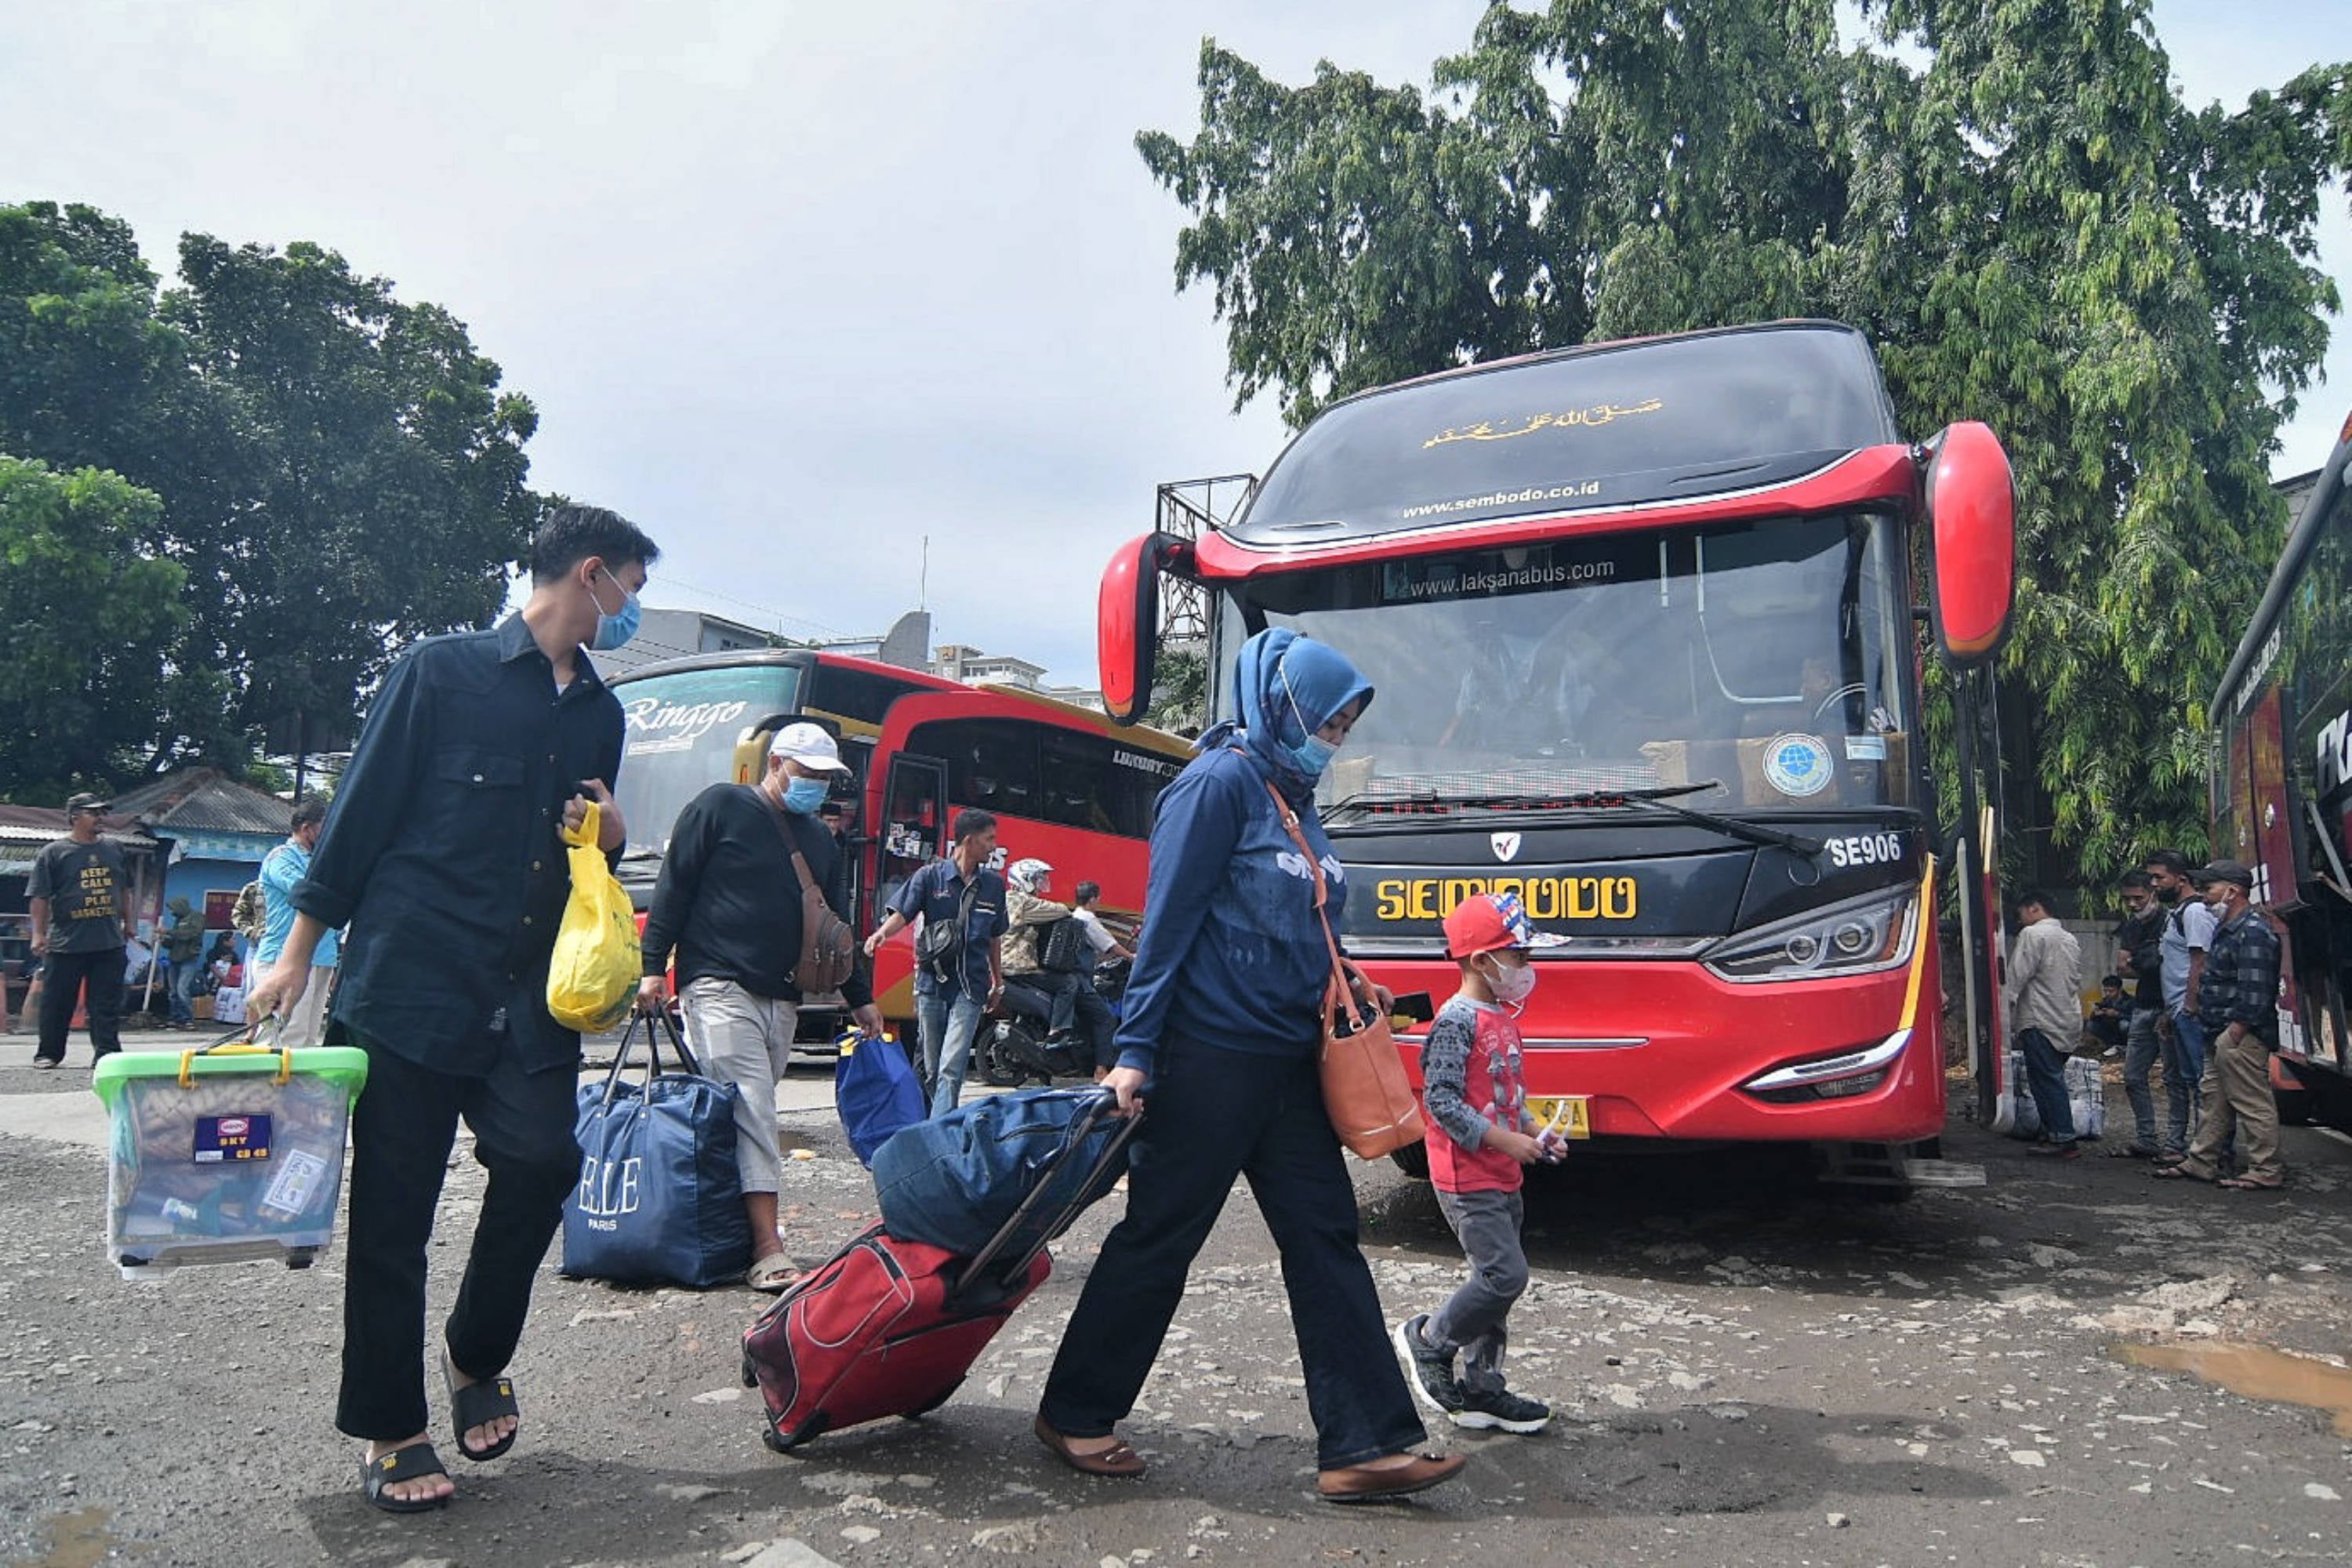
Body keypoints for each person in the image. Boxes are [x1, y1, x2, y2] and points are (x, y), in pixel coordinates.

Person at [245, 503, 656, 1514]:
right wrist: (296, 955)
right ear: (591, 574)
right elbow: (359, 815)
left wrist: (606, 826)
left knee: (544, 1159)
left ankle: (476, 1349)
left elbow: (588, 840)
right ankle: (394, 1426)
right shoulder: (440, 670)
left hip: (528, 993)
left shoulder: (601, 712)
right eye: (631, 593)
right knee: (395, 1215)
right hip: (412, 984)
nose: (629, 613)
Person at [1034, 626, 1465, 1504]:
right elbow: (1166, 928)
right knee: (1163, 1234)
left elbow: (1307, 915)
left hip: (1290, 1063)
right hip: (1206, 1060)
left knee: (1325, 1235)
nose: (1334, 737)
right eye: (1326, 719)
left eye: (1346, 726)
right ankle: (1075, 1410)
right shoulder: (1217, 784)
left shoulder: (1293, 793)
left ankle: (1365, 1443)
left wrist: (1350, 976)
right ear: (1281, 703)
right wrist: (1134, 1055)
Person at [635, 721, 884, 1292]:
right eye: (808, 774)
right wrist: (653, 967)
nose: (816, 786)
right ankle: (768, 1248)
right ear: (776, 763)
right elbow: (675, 888)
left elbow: (836, 926)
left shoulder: (821, 841)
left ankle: (713, 1228)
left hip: (784, 998)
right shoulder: (720, 807)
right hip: (717, 986)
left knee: (741, 1113)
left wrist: (861, 998)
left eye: (825, 779)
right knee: (753, 1106)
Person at [1394, 891, 1559, 1436]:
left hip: (1501, 1174)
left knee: (1498, 1284)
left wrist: (1535, 1132)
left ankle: (1484, 1389)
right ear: (1481, 960)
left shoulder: (1502, 1017)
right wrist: (1503, 1140)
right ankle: (1429, 1341)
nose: (1526, 969)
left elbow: (1507, 1092)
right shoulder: (1455, 1022)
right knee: (1504, 1274)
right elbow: (1440, 1101)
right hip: (1468, 1178)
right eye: (1518, 957)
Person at [863, 808, 1005, 1117]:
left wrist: (999, 982)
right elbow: (904, 913)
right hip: (932, 984)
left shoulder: (993, 886)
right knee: (931, 1067)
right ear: (969, 840)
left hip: (971, 987)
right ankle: (930, 1125)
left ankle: (940, 1133)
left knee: (951, 1067)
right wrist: (880, 935)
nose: (993, 846)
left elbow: (995, 938)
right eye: (989, 839)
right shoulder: (930, 877)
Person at [2154, 859, 2285, 1192]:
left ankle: (2266, 1169)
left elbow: (2255, 991)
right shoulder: (2230, 928)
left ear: (2233, 891)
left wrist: (2236, 1032)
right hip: (2220, 1032)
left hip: (2239, 1034)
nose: (2204, 897)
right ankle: (2201, 1162)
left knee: (2251, 1102)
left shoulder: (2253, 931)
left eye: (2209, 889)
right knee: (2214, 1101)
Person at [27, 792, 129, 1069]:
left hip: (108, 942)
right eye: (93, 813)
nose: (100, 818)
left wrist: (129, 923)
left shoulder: (115, 849)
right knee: (57, 1003)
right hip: (66, 944)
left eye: (102, 813)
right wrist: (38, 934)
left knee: (105, 1005)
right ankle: (48, 1053)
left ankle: (107, 1053)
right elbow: (39, 896)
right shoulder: (54, 852)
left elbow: (124, 889)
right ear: (74, 817)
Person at [2145, 848, 2215, 1160]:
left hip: (2190, 1012)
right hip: (2177, 1011)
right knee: (2188, 1081)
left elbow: (2200, 963)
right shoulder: (2177, 913)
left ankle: (2208, 1153)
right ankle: (2195, 1151)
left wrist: (2188, 1007)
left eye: (2160, 877)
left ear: (2182, 879)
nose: (2154, 884)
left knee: (2203, 1084)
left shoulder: (2195, 913)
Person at [255, 797, 341, 1047]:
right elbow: (308, 894)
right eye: (325, 827)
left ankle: (299, 1088)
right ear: (306, 829)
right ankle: (270, 1088)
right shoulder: (281, 857)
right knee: (283, 1037)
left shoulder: (321, 860)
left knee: (309, 1038)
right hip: (284, 958)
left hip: (323, 957)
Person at [2005, 889, 2085, 1159]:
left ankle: (2062, 1136)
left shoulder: (2033, 934)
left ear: (2034, 908)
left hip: (2040, 1018)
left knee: (2046, 1080)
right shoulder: (2069, 938)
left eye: (2022, 913)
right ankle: (2052, 1131)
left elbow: (2016, 977)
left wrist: (2003, 1010)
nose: (2021, 920)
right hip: (2067, 1019)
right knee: (2051, 1077)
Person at [2110, 870, 2166, 1157]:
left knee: (2177, 1080)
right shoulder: (2133, 926)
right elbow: (2122, 968)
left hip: (2169, 1007)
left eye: (2138, 898)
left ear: (2152, 893)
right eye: (2127, 899)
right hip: (2144, 1005)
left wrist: (2141, 963)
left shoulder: (2169, 920)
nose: (2132, 904)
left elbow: (2131, 965)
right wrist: (2151, 963)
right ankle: (2147, 1139)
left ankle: (2179, 1144)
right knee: (2133, 1076)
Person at [163, 895, 205, 1029]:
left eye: (173, 909)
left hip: (188, 959)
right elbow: (174, 942)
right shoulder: (178, 920)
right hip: (174, 959)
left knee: (182, 989)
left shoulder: (197, 917)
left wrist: (169, 932)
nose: (172, 912)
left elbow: (191, 934)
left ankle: (188, 1019)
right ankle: (175, 1018)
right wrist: (163, 939)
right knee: (173, 991)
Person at [2086, 975, 2129, 1056]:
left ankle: (2127, 1045)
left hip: (2125, 1032)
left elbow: (2134, 1018)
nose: (2108, 994)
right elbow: (2093, 1018)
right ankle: (2113, 1045)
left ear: (2119, 990)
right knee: (2091, 1025)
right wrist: (2096, 1013)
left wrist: (2117, 1014)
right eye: (2106, 991)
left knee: (2124, 1025)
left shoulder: (2129, 1001)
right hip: (2112, 1031)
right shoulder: (2106, 1001)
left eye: (2111, 991)